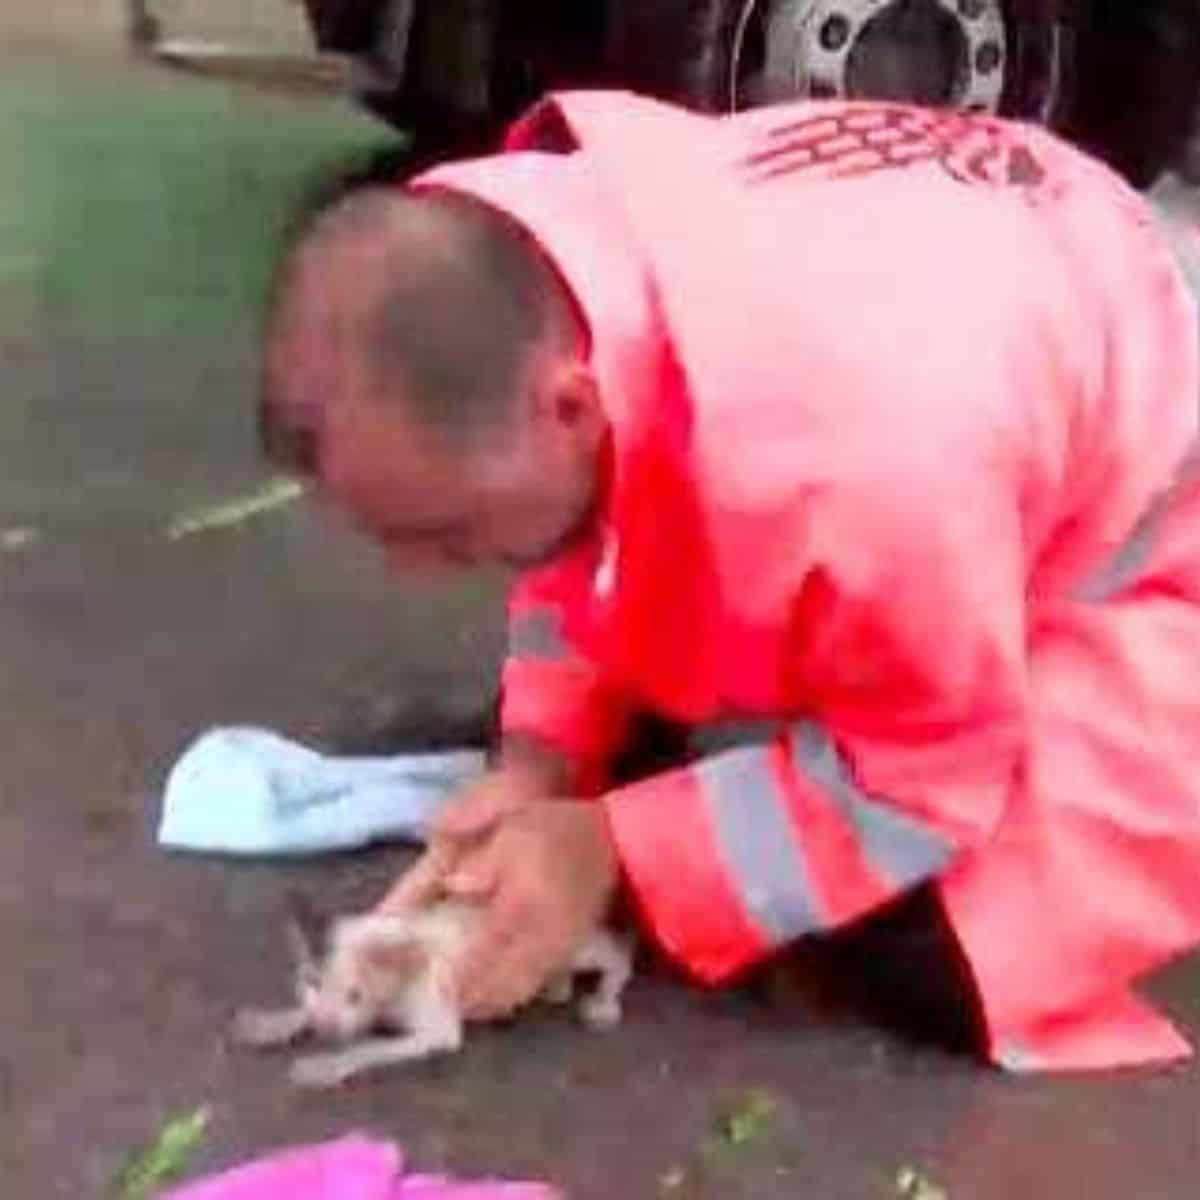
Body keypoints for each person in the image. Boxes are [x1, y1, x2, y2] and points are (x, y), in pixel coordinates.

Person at [258, 90, 1200, 1073]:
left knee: (941, 949)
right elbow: (579, 548)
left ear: (569, 407)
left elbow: (921, 774)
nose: (419, 574)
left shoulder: (859, 464)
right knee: (683, 755)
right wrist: (541, 756)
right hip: (1021, 303)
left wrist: (615, 854)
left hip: (1165, 527)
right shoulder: (558, 270)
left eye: (443, 533)